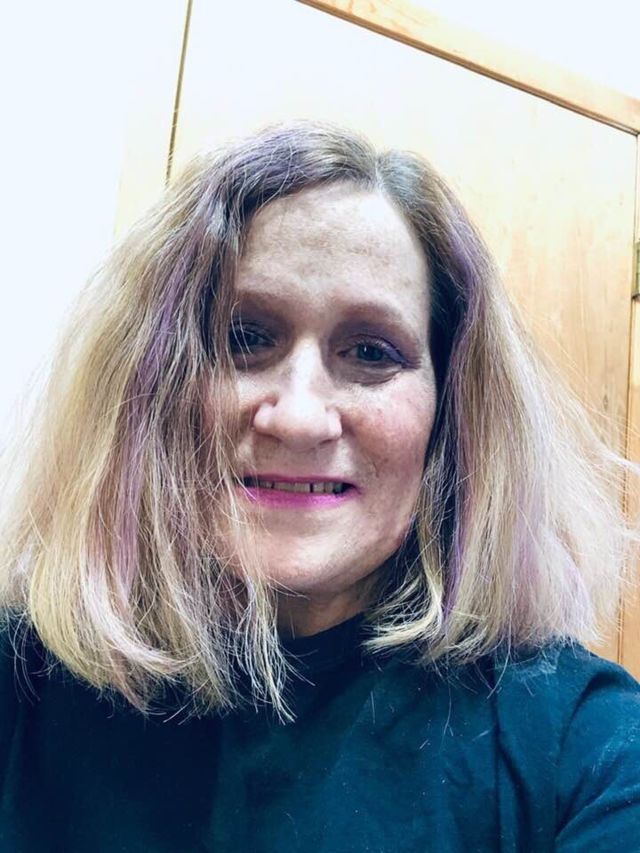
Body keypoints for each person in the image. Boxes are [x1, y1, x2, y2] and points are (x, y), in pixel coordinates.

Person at [1, 119, 639, 852]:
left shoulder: (585, 746)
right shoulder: (21, 685)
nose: (299, 418)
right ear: (147, 385)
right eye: (244, 338)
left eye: (371, 351)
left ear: (451, 416)